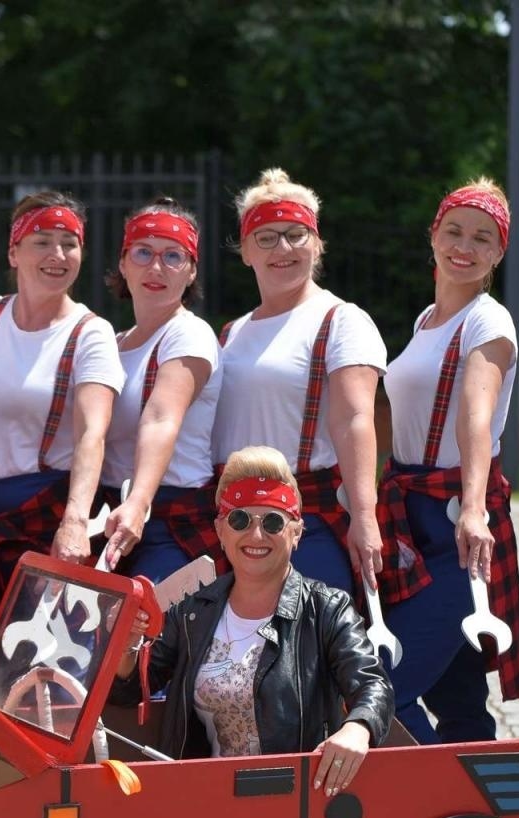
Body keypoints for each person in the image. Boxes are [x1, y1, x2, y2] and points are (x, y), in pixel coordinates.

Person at [108, 446, 393, 784]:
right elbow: (130, 690)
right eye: (240, 519)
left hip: (298, 800)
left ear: (297, 532)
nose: (256, 535)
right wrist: (126, 642)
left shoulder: (328, 608)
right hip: (204, 800)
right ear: (220, 530)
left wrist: (357, 729)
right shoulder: (193, 612)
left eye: (273, 521)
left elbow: (372, 685)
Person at [376, 180, 519, 744]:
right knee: (457, 695)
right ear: (434, 235)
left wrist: (472, 510)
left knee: (384, 683)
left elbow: (476, 418)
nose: (465, 246)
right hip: (409, 520)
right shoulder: (425, 321)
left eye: (482, 238)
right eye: (455, 231)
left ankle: (433, 801)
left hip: (453, 525)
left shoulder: (489, 323)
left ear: (498, 253)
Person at [0, 191, 123, 645]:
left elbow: (92, 433)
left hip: (42, 516)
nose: (58, 255)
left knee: (40, 667)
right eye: (42, 241)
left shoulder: (90, 332)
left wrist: (74, 522)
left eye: (70, 243)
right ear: (14, 251)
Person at [212, 168, 387, 595]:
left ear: (317, 244)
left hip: (302, 521)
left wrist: (365, 519)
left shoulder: (340, 320)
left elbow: (355, 421)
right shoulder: (231, 333)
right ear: (246, 251)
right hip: (229, 521)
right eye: (266, 237)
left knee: (305, 657)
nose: (282, 248)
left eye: (295, 234)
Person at [99, 198, 221, 580]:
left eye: (173, 256)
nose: (156, 267)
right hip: (109, 515)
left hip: (169, 519)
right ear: (123, 263)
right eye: (143, 252)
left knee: (149, 637)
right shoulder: (113, 343)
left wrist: (138, 502)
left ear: (191, 273)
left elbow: (161, 417)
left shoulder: (189, 334)